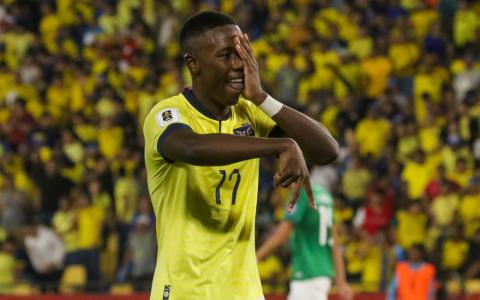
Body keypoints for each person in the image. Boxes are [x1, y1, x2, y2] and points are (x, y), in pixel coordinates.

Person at [143, 11, 338, 300]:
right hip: (185, 289)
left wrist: (262, 98)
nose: (238, 65)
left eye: (242, 54)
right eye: (226, 55)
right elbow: (192, 147)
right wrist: (280, 145)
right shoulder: (167, 114)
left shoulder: (250, 112)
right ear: (193, 64)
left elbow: (327, 150)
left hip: (244, 291)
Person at [256, 183, 353, 300]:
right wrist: (341, 282)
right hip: (323, 273)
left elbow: (281, 235)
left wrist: (255, 258)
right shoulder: (325, 196)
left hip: (307, 272)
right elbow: (335, 244)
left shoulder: (300, 194)